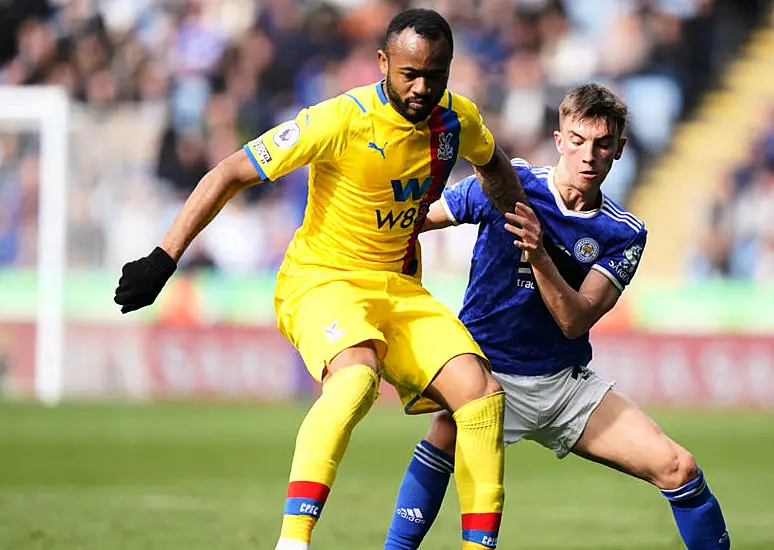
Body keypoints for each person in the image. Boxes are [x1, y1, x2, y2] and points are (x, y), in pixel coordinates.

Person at [113, 9, 528, 550]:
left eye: (436, 74)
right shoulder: (339, 118)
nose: (423, 87)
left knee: (481, 395)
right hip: (322, 281)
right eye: (409, 73)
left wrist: (521, 222)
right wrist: (163, 259)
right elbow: (231, 171)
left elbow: (493, 162)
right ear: (383, 63)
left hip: (398, 288)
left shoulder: (457, 119)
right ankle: (294, 541)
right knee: (355, 379)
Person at [383, 84, 730, 550]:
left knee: (679, 468)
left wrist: (540, 252)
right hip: (488, 377)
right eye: (579, 140)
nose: (589, 155)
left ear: (619, 150)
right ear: (560, 139)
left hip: (564, 388)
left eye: (603, 144)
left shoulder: (623, 232)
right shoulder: (510, 184)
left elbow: (575, 320)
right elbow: (419, 219)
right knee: (443, 434)